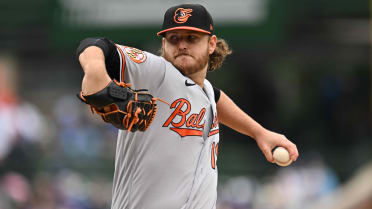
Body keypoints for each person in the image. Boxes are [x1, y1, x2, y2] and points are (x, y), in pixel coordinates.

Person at [76, 4, 299, 209]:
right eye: (174, 39)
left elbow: (215, 99)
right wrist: (96, 73)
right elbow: (94, 46)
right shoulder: (157, 72)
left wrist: (259, 133)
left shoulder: (207, 92)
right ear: (164, 44)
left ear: (211, 44)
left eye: (192, 38)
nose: (182, 45)